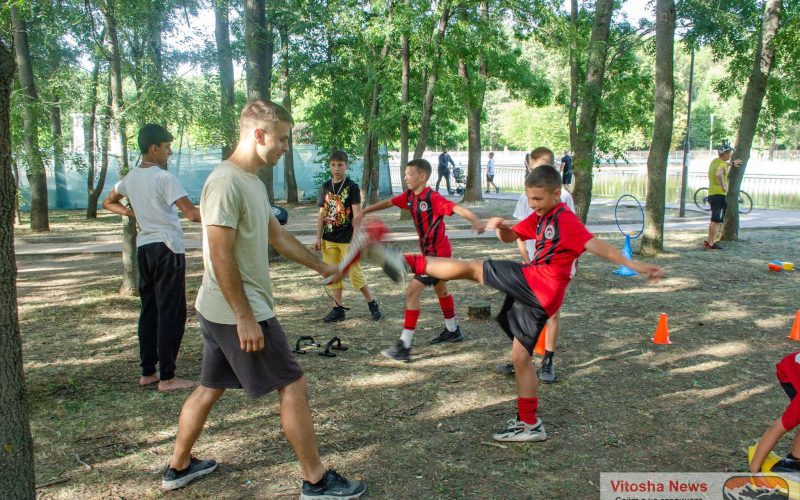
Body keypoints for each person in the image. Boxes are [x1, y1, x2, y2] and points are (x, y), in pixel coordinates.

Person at [161, 101, 366, 498]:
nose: (286, 146)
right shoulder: (225, 182)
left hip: (219, 308)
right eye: (283, 138)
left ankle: (178, 466)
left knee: (209, 386)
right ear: (259, 135)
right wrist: (244, 316)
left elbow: (278, 237)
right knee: (293, 384)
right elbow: (219, 254)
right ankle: (316, 480)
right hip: (237, 309)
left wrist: (322, 267)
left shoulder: (252, 182)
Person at [397, 165, 663, 441]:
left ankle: (407, 261)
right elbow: (511, 236)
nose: (532, 204)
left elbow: (600, 247)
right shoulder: (538, 217)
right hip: (537, 297)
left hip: (540, 284)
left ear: (556, 194)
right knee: (521, 358)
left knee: (474, 269)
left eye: (538, 199)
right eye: (529, 198)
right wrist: (501, 227)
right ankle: (530, 424)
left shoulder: (566, 220)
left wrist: (634, 264)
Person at [357, 159, 486, 362]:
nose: (405, 176)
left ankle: (404, 346)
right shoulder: (409, 197)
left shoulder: (432, 197)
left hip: (438, 256)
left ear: (422, 177)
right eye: (405, 173)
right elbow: (388, 202)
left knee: (412, 291)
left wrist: (476, 220)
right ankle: (453, 330)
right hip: (429, 253)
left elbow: (456, 208)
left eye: (409, 173)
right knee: (441, 290)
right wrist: (365, 211)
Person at [102, 124, 200, 392]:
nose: (169, 152)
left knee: (150, 310)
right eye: (167, 147)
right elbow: (191, 214)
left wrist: (135, 215)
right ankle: (168, 377)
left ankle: (148, 372)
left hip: (145, 249)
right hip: (167, 248)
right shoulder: (164, 178)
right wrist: (224, 215)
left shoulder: (129, 179)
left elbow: (108, 202)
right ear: (154, 147)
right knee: (171, 311)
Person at [497, 147, 575, 383]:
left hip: (554, 268)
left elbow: (571, 233)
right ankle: (520, 357)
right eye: (534, 167)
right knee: (522, 311)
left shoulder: (564, 197)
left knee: (550, 313)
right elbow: (520, 232)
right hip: (531, 264)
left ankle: (548, 360)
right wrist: (526, 259)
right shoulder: (526, 196)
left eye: (543, 167)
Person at [315, 150, 382, 323]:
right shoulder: (325, 187)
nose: (336, 168)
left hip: (347, 239)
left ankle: (372, 304)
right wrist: (317, 237)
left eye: (340, 165)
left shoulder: (351, 187)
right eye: (333, 165)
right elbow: (321, 214)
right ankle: (338, 309)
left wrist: (355, 239)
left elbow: (357, 215)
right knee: (333, 274)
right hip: (328, 239)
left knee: (354, 273)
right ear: (329, 165)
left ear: (346, 166)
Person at [749, 351, 800, 475]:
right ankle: (794, 461)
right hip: (788, 371)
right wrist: (754, 472)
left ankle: (795, 459)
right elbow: (775, 429)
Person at [705, 145, 742, 250]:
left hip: (712, 193)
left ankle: (709, 240)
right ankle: (711, 243)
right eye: (729, 153)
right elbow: (718, 174)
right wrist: (723, 186)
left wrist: (733, 163)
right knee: (715, 219)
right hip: (719, 194)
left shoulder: (715, 162)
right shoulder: (722, 164)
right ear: (725, 153)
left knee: (715, 219)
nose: (730, 155)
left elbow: (724, 165)